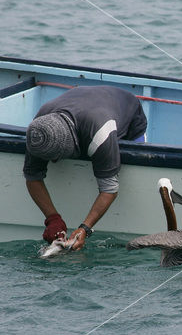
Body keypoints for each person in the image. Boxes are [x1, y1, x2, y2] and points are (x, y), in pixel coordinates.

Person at [24, 85, 147, 250]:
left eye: (56, 158)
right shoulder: (38, 131)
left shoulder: (101, 133)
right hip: (84, 102)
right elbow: (32, 177)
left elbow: (109, 189)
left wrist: (85, 228)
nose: (53, 163)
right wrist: (52, 219)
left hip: (127, 110)